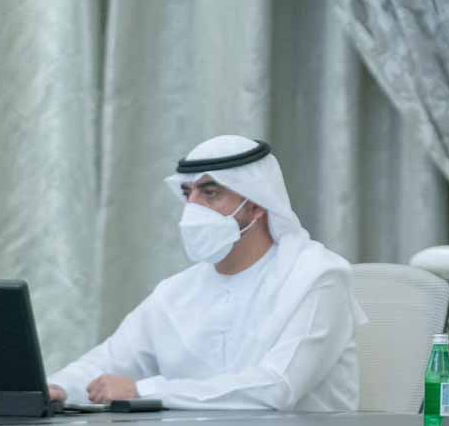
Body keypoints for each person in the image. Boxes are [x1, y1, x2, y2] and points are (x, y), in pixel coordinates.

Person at [47, 135, 366, 411]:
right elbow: (108, 361)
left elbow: (277, 387)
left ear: (256, 205)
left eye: (210, 193)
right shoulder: (176, 292)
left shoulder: (317, 277)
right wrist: (58, 388)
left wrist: (143, 391)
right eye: (188, 194)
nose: (193, 207)